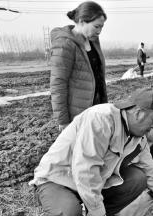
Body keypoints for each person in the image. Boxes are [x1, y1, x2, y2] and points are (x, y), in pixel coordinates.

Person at [50, 1, 108, 132]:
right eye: (96, 27)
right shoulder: (65, 44)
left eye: (102, 27)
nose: (99, 31)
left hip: (95, 109)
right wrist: (63, 120)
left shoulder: (93, 41)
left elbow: (97, 75)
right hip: (76, 114)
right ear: (82, 21)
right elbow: (58, 84)